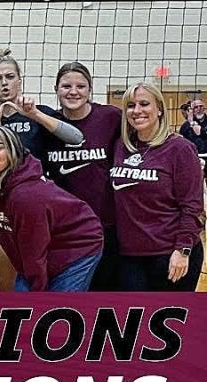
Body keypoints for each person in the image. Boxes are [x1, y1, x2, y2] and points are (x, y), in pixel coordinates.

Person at [0, 126, 104, 291]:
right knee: (27, 298)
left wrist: (36, 294)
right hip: (37, 250)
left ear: (14, 153)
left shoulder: (26, 195)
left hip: (78, 244)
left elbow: (34, 252)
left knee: (54, 307)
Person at [112, 82, 205, 291]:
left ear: (160, 109)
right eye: (130, 105)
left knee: (169, 321)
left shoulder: (180, 148)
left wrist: (183, 250)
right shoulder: (121, 146)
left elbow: (192, 206)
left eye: (144, 104)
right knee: (134, 320)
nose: (137, 111)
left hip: (170, 254)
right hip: (130, 255)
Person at [43, 62, 122, 290]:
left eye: (81, 86)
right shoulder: (49, 125)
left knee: (105, 293)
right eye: (66, 86)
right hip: (64, 231)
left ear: (90, 90)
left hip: (105, 225)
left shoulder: (111, 117)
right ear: (56, 89)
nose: (73, 92)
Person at [0, 49, 84, 161]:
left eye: (10, 76)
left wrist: (35, 115)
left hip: (34, 177)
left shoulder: (39, 112)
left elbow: (77, 138)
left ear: (20, 80)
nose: (4, 83)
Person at [179, 95, 207, 160]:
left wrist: (192, 123)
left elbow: (199, 133)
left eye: (201, 106)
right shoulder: (185, 126)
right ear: (191, 110)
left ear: (204, 107)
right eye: (196, 107)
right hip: (192, 158)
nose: (199, 109)